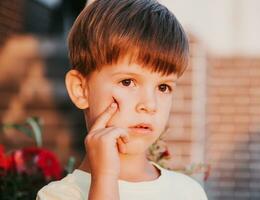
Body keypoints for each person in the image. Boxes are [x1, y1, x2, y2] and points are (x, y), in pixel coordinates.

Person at [36, 0, 208, 199]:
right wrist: (105, 179)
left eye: (163, 87)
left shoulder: (188, 192)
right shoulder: (59, 195)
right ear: (81, 90)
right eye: (127, 82)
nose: (150, 105)